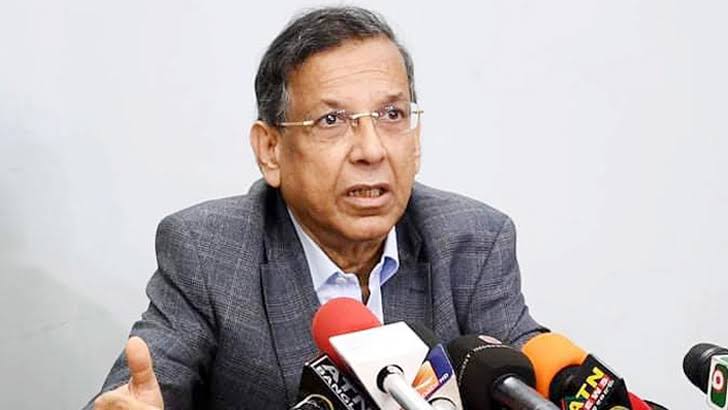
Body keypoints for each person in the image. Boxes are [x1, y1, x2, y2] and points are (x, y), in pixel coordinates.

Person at [89, 6, 546, 410]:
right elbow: (141, 391)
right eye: (332, 120)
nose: (371, 150)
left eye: (392, 116)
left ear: (416, 137)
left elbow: (532, 370)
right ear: (270, 150)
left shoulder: (472, 241)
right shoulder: (210, 254)